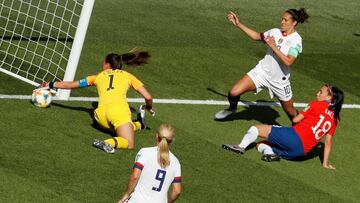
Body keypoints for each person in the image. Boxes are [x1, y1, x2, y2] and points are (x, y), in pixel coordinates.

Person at [39, 50, 155, 154]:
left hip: (100, 118)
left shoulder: (97, 77)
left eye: (103, 62)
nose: (102, 64)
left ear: (108, 64)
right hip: (118, 114)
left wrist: (49, 85)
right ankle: (108, 142)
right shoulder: (128, 76)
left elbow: (70, 85)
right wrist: (149, 107)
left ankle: (140, 123)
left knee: (122, 127)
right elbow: (148, 97)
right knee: (129, 143)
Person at [215, 8, 309, 122]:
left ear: (294, 22)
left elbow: (289, 61)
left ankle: (299, 131)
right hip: (262, 72)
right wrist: (238, 24)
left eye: (286, 20)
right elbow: (256, 36)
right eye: (282, 19)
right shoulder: (274, 32)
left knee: (291, 113)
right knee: (233, 92)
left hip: (280, 81)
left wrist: (274, 46)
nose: (282, 22)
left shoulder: (296, 40)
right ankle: (231, 109)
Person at [222, 84, 344, 169]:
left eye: (320, 92)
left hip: (294, 138)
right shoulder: (335, 119)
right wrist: (325, 164)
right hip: (299, 153)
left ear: (329, 97)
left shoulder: (317, 104)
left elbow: (296, 119)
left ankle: (240, 147)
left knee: (255, 129)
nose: (317, 93)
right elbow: (328, 142)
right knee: (260, 144)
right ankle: (269, 154)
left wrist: (302, 114)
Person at [119, 124, 182, 203]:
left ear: (156, 136)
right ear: (172, 140)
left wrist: (127, 194)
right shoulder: (176, 163)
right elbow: (177, 191)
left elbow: (135, 176)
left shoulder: (145, 152)